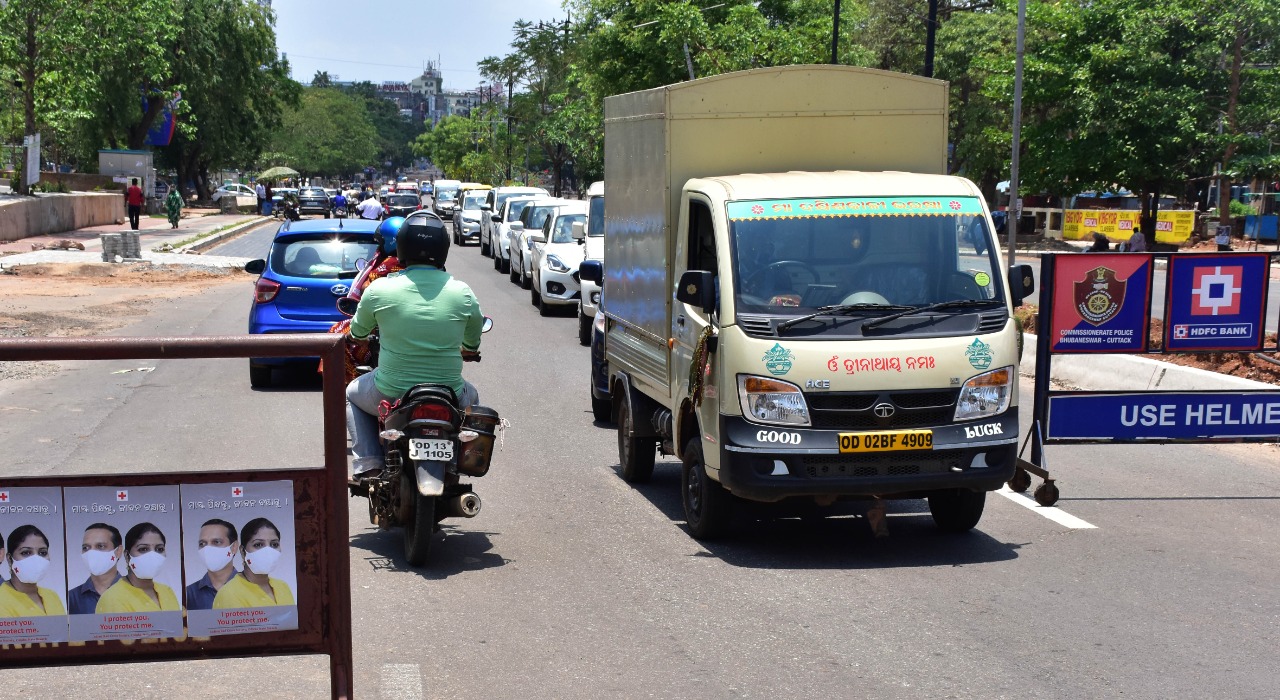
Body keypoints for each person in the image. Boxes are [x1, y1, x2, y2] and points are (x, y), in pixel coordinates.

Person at [345, 214, 485, 476]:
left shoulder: (379, 289)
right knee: (473, 396)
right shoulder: (463, 292)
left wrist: (360, 337)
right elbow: (471, 342)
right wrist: (468, 350)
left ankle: (369, 463)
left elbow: (357, 332)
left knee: (351, 392)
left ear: (401, 247)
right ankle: (460, 462)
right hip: (450, 394)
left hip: (388, 392)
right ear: (443, 249)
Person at [325, 217, 406, 382]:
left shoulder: (386, 266)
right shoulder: (437, 272)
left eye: (380, 243)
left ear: (389, 242)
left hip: (384, 329)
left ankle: (349, 382)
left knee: (336, 335)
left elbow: (367, 293)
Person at [95, 522, 181, 613]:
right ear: (127, 556)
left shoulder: (167, 591)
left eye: (159, 549)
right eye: (143, 549)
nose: (153, 556)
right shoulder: (112, 599)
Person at [212, 518, 294, 609]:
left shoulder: (283, 587)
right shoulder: (229, 594)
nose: (268, 551)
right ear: (243, 551)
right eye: (258, 544)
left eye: (274, 544)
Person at [0, 525, 67, 617]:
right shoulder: (2, 598)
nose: (36, 559)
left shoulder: (52, 596)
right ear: (9, 559)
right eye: (26, 552)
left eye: (42, 553)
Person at [68, 522, 123, 615]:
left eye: (100, 546)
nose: (91, 553)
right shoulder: (71, 598)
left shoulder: (136, 594)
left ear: (118, 551)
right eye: (86, 548)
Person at [184, 518, 239, 611]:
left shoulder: (253, 589)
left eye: (216, 542)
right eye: (202, 543)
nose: (207, 549)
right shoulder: (188, 595)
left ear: (234, 547)